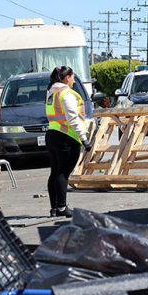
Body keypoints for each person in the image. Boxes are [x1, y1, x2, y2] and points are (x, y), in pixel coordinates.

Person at [45, 65, 92, 218]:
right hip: (67, 137)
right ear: (67, 78)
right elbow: (72, 118)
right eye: (72, 77)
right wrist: (84, 139)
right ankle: (61, 207)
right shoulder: (66, 94)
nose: (73, 80)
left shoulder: (51, 92)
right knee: (63, 173)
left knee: (55, 172)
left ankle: (54, 207)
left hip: (52, 135)